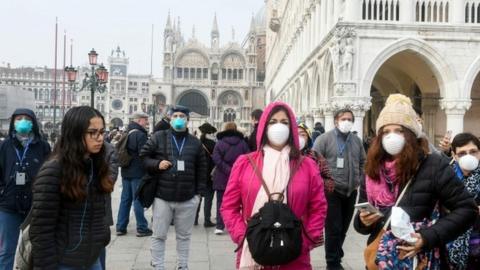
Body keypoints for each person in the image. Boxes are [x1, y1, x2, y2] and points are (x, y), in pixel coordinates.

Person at [353, 94, 477, 268]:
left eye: (399, 131)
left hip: (420, 260)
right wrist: (363, 221)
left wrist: (428, 237)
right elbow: (360, 224)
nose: (391, 136)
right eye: (386, 132)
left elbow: (467, 209)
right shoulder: (372, 169)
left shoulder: (433, 164)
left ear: (411, 134)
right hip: (382, 258)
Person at [221, 101, 327, 269]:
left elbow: (319, 207)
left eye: (284, 122)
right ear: (264, 126)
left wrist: (304, 242)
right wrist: (245, 237)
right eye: (273, 122)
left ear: (291, 127)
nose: (279, 127)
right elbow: (228, 207)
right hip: (253, 250)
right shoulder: (244, 163)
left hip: (294, 254)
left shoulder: (307, 165)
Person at [30, 106, 114, 269]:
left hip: (92, 258)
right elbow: (41, 230)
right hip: (64, 260)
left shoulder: (97, 166)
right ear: (75, 134)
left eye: (102, 132)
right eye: (92, 132)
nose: (99, 138)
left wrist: (102, 236)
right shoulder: (54, 170)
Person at [140, 105, 207, 270]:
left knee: (184, 236)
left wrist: (198, 194)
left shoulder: (195, 142)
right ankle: (158, 265)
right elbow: (143, 156)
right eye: (175, 115)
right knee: (159, 235)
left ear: (187, 120)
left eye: (182, 116)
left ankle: (182, 266)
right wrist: (157, 164)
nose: (178, 118)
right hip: (163, 196)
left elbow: (202, 168)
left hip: (188, 197)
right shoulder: (158, 137)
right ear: (170, 118)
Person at [313, 108, 366, 270]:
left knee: (343, 227)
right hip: (331, 191)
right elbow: (313, 163)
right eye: (344, 119)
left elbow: (363, 161)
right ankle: (333, 262)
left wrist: (358, 179)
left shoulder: (356, 141)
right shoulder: (324, 139)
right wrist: (323, 182)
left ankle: (336, 252)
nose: (347, 122)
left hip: (350, 191)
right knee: (333, 228)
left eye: (350, 119)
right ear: (336, 121)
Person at [0, 108, 51, 269]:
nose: (22, 121)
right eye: (19, 118)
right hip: (8, 205)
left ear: (33, 123)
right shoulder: (5, 145)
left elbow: (49, 172)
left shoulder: (42, 146)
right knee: (6, 250)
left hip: (34, 206)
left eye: (26, 118)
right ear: (13, 122)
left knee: (35, 249)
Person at [446, 133, 480, 269]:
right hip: (450, 241)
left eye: (473, 152)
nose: (468, 156)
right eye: (462, 153)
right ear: (454, 156)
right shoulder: (445, 178)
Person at [116, 111, 152, 237]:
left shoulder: (127, 132)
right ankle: (142, 227)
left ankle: (120, 227)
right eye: (145, 119)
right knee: (137, 199)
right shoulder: (140, 134)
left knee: (125, 200)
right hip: (137, 172)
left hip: (126, 170)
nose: (147, 122)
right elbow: (143, 154)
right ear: (139, 120)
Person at [212, 122, 249, 235]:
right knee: (239, 202)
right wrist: (236, 170)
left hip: (222, 177)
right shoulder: (243, 143)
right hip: (240, 178)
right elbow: (248, 158)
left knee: (220, 202)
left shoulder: (220, 143)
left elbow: (216, 159)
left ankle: (219, 226)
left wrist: (228, 169)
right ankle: (237, 226)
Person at [298, 122, 335, 195]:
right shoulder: (284, 157)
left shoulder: (316, 156)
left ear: (308, 138)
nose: (299, 137)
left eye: (303, 134)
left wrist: (316, 182)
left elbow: (330, 182)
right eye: (295, 134)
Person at [99, 141, 119, 270]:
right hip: (72, 212)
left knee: (99, 243)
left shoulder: (108, 149)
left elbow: (111, 176)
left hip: (99, 205)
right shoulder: (67, 145)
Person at [196, 122, 218, 227]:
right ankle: (206, 220)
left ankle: (194, 219)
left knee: (198, 197)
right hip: (210, 174)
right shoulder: (213, 144)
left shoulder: (197, 143)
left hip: (199, 174)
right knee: (209, 199)